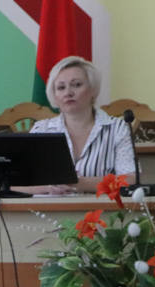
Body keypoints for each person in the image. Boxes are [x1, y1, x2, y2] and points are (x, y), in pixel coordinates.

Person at [27, 56, 135, 194]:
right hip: (49, 206)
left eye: (76, 85)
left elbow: (130, 180)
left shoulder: (117, 129)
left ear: (93, 90)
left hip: (98, 206)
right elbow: (15, 184)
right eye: (61, 87)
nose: (68, 93)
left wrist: (78, 183)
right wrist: (49, 187)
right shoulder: (41, 130)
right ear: (54, 95)